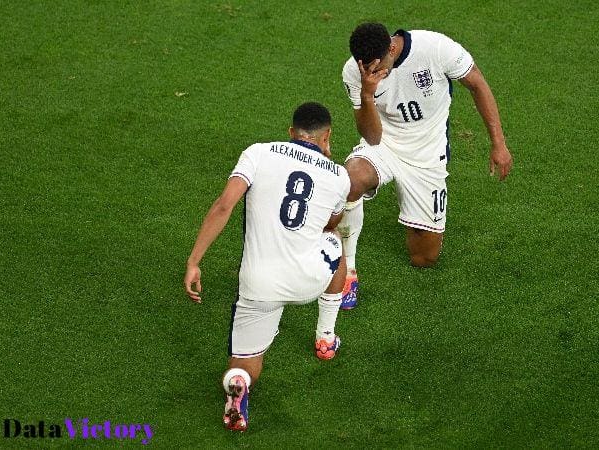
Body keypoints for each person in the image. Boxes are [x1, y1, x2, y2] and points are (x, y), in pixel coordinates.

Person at [184, 102, 351, 431]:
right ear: (327, 135)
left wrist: (194, 261)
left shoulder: (258, 153)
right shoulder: (339, 176)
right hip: (309, 277)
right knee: (335, 244)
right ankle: (326, 338)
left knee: (245, 363)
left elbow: (224, 206)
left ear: (291, 133)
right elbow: (331, 222)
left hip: (259, 285)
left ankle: (239, 383)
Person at [337, 23, 513, 309]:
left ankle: (413, 208)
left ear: (391, 49)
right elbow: (372, 136)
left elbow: (477, 84)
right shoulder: (354, 72)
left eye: (377, 67)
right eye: (365, 69)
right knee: (350, 181)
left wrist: (498, 143)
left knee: (424, 258)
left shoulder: (436, 48)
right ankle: (347, 270)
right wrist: (368, 94)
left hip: (427, 156)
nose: (372, 73)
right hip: (385, 144)